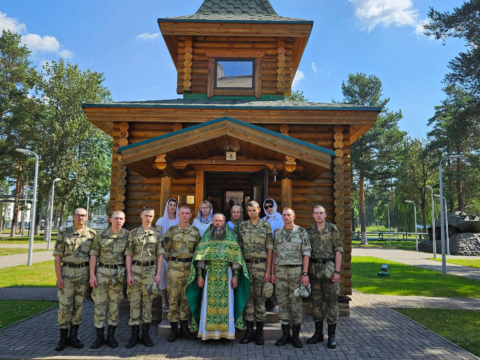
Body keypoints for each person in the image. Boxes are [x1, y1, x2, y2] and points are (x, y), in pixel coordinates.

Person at [186, 213, 250, 341]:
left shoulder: (230, 238)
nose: (218, 223)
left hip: (227, 274)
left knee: (227, 304)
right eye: (216, 220)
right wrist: (199, 276)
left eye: (221, 220)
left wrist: (236, 277)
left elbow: (236, 260)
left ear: (224, 222)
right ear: (212, 222)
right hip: (210, 274)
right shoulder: (207, 238)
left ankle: (225, 334)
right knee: (207, 304)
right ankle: (207, 334)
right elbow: (200, 259)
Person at [52, 207, 96, 351]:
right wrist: (59, 277)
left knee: (78, 306)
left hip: (83, 274)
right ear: (72, 216)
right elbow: (57, 256)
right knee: (65, 307)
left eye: (83, 215)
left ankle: (73, 337)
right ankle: (62, 338)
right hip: (67, 273)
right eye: (78, 215)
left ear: (87, 217)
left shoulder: (92, 235)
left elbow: (93, 257)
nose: (80, 218)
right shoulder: (64, 233)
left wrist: (91, 276)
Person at [125, 206, 164, 348]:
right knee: (134, 303)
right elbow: (128, 254)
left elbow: (160, 255)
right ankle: (134, 336)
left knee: (147, 303)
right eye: (146, 215)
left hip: (150, 271)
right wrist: (128, 273)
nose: (148, 218)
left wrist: (158, 274)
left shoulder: (158, 234)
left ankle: (145, 335)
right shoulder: (133, 233)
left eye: (151, 216)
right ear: (141, 215)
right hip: (135, 270)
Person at [89, 210, 129, 349]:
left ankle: (111, 337)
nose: (119, 221)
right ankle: (99, 337)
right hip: (102, 273)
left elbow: (128, 256)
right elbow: (94, 255)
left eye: (122, 219)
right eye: (116, 218)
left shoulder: (127, 235)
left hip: (117, 274)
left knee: (114, 307)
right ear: (110, 220)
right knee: (99, 306)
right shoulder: (101, 235)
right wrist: (92, 275)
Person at [272, 207, 311, 348]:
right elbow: (274, 253)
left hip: (296, 271)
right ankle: (285, 334)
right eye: (284, 215)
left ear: (294, 216)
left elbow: (306, 253)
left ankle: (295, 336)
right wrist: (271, 272)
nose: (286, 217)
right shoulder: (277, 233)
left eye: (289, 214)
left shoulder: (301, 232)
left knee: (296, 303)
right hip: (280, 271)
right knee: (282, 303)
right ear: (282, 217)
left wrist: (305, 273)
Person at [305, 205, 343, 349]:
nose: (319, 215)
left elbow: (338, 250)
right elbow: (306, 252)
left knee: (332, 303)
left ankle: (332, 335)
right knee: (316, 303)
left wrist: (337, 272)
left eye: (321, 213)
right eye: (316, 213)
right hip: (314, 270)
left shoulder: (332, 229)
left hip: (329, 269)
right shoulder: (309, 231)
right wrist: (306, 273)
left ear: (325, 215)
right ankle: (318, 333)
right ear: (313, 215)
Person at [163, 205, 200, 342]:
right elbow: (164, 250)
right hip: (174, 268)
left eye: (187, 213)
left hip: (190, 268)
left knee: (186, 298)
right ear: (179, 215)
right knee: (173, 298)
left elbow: (198, 252)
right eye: (182, 213)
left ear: (191, 216)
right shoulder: (171, 231)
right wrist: (173, 261)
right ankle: (173, 330)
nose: (185, 215)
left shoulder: (195, 232)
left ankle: (184, 329)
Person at [238, 201, 273, 346]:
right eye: (249, 210)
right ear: (247, 211)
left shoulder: (266, 226)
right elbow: (239, 249)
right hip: (246, 266)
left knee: (260, 300)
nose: (252, 212)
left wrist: (268, 271)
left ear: (259, 210)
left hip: (261, 266)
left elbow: (270, 249)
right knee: (248, 300)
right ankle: (249, 332)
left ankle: (259, 334)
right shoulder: (243, 226)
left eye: (254, 210)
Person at [155, 198, 180, 311]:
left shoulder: (179, 220)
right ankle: (164, 300)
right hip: (164, 253)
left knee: (174, 278)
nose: (172, 207)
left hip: (176, 253)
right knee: (164, 276)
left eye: (174, 205)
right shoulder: (161, 221)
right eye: (170, 205)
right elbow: (159, 238)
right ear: (167, 206)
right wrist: (164, 254)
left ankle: (174, 300)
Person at [262, 198, 284, 312]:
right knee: (266, 277)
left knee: (275, 276)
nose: (269, 209)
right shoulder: (262, 220)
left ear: (274, 206)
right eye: (266, 207)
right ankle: (267, 302)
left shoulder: (280, 218)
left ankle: (276, 304)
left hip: (277, 252)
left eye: (270, 206)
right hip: (265, 253)